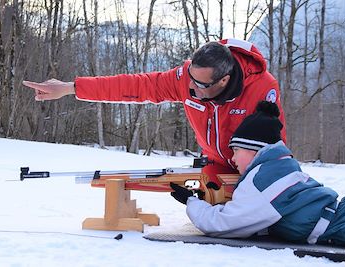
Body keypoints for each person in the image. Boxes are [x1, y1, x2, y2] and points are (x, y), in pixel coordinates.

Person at [23, 38, 286, 186]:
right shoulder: (187, 78)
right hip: (216, 166)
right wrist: (71, 88)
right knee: (211, 218)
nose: (191, 88)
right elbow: (135, 86)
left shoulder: (262, 87)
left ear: (224, 81)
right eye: (190, 79)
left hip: (256, 169)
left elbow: (275, 148)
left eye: (200, 84)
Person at [170, 101, 345, 248]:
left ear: (253, 150)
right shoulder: (277, 167)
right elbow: (260, 215)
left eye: (236, 150)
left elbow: (224, 224)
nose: (233, 158)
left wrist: (192, 203)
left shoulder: (261, 181)